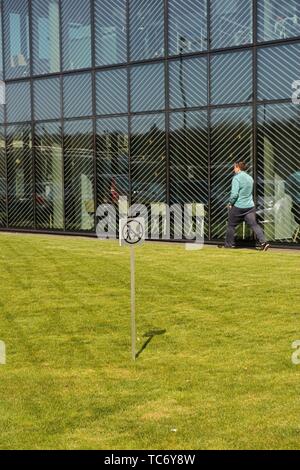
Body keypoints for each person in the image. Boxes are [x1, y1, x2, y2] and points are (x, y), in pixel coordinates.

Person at [221, 162, 270, 251]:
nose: (233, 169)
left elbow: (234, 194)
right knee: (254, 224)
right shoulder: (250, 178)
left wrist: (230, 203)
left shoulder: (236, 178)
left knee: (231, 225)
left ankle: (228, 245)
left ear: (238, 168)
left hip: (239, 206)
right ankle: (264, 242)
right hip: (250, 206)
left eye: (234, 168)